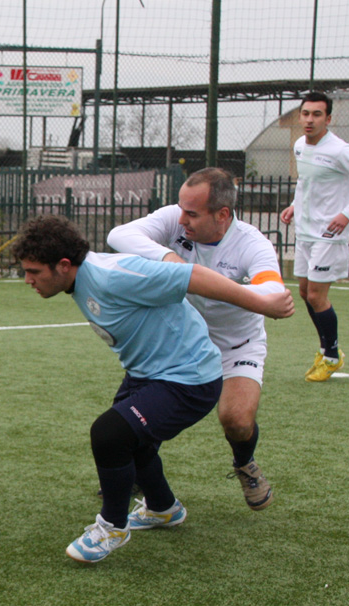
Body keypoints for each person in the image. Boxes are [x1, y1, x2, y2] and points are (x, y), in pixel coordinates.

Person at [11, 216, 294, 564]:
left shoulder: (115, 274)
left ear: (64, 265)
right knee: (133, 442)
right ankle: (163, 507)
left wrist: (262, 303)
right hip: (149, 373)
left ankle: (112, 528)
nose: (28, 280)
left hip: (190, 378)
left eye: (34, 271)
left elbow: (194, 277)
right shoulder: (81, 280)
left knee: (109, 434)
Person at [108, 167, 283, 511]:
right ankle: (135, 477)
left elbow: (272, 290)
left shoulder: (251, 243)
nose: (182, 219)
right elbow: (119, 235)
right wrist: (169, 258)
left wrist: (216, 285)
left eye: (192, 213)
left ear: (222, 215)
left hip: (236, 348)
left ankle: (244, 463)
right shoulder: (177, 218)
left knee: (237, 421)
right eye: (181, 209)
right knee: (140, 413)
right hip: (182, 345)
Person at [279, 91, 349, 382]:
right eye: (306, 113)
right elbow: (306, 182)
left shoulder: (340, 150)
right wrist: (295, 206)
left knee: (315, 295)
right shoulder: (300, 145)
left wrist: (346, 214)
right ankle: (327, 352)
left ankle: (332, 356)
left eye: (317, 114)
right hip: (306, 232)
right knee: (303, 292)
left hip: (329, 234)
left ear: (329, 119)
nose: (309, 120)